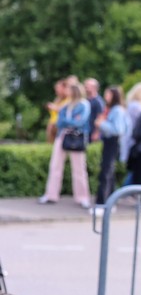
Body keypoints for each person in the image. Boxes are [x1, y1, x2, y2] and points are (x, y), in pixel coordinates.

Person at [39, 81, 93, 209]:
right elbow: (60, 122)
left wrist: (68, 122)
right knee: (55, 166)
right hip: (63, 136)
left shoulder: (84, 105)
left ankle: (82, 197)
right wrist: (71, 121)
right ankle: (51, 194)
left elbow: (80, 122)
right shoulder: (66, 105)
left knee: (79, 168)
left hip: (76, 137)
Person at [93, 86, 128, 214]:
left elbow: (117, 130)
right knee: (109, 173)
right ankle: (110, 201)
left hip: (112, 142)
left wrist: (101, 124)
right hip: (109, 142)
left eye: (108, 94)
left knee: (106, 172)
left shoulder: (117, 110)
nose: (105, 97)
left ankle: (102, 203)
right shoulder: (112, 109)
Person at [84, 78, 105, 143]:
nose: (85, 87)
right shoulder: (86, 100)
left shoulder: (98, 101)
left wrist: (97, 132)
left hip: (92, 131)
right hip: (86, 130)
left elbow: (101, 117)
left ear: (94, 87)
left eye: (88, 85)